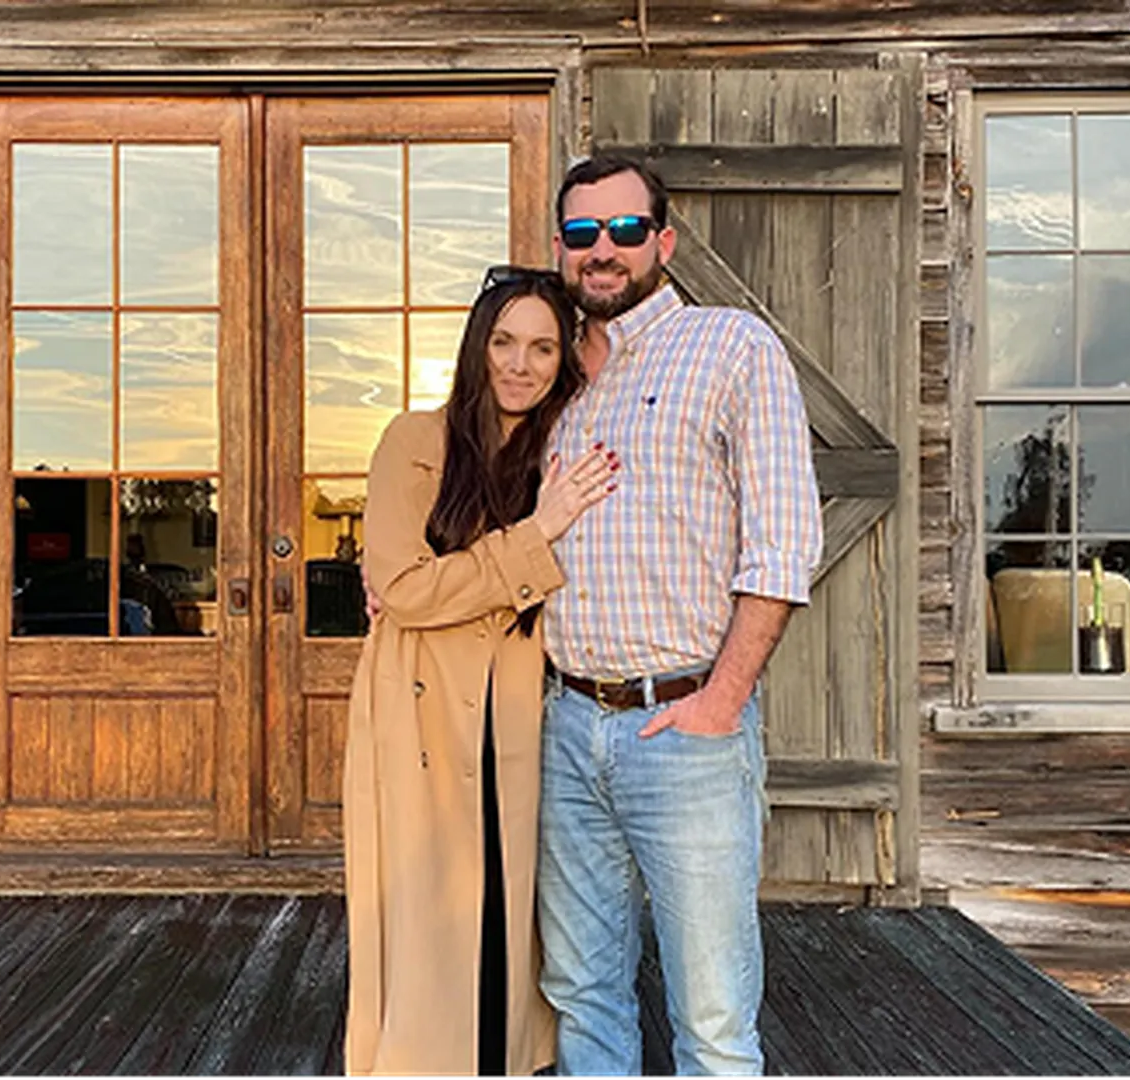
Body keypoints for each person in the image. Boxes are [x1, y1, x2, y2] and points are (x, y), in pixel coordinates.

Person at [536, 155, 823, 1079]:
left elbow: (782, 542)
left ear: (663, 240)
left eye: (625, 230)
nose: (603, 251)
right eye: (583, 235)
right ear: (562, 249)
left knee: (709, 1018)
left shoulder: (730, 346)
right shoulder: (547, 383)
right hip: (564, 724)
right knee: (583, 995)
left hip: (685, 725)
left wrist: (721, 700)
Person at [344, 266, 617, 1080]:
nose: (519, 365)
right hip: (420, 712)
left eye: (541, 347)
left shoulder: (562, 449)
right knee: (428, 920)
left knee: (515, 915)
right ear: (476, 346)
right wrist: (534, 538)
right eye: (503, 342)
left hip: (524, 713)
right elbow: (400, 586)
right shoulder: (415, 441)